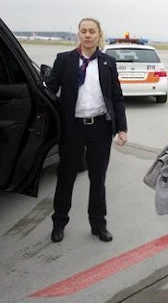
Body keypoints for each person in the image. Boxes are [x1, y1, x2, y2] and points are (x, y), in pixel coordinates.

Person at [46, 17, 128, 243]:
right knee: (66, 178)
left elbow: (117, 97)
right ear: (78, 34)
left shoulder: (108, 62)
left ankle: (98, 224)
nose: (88, 35)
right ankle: (59, 222)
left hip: (100, 128)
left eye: (92, 31)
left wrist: (121, 128)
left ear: (99, 34)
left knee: (98, 179)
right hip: (73, 129)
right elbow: (50, 90)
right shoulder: (64, 60)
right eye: (84, 31)